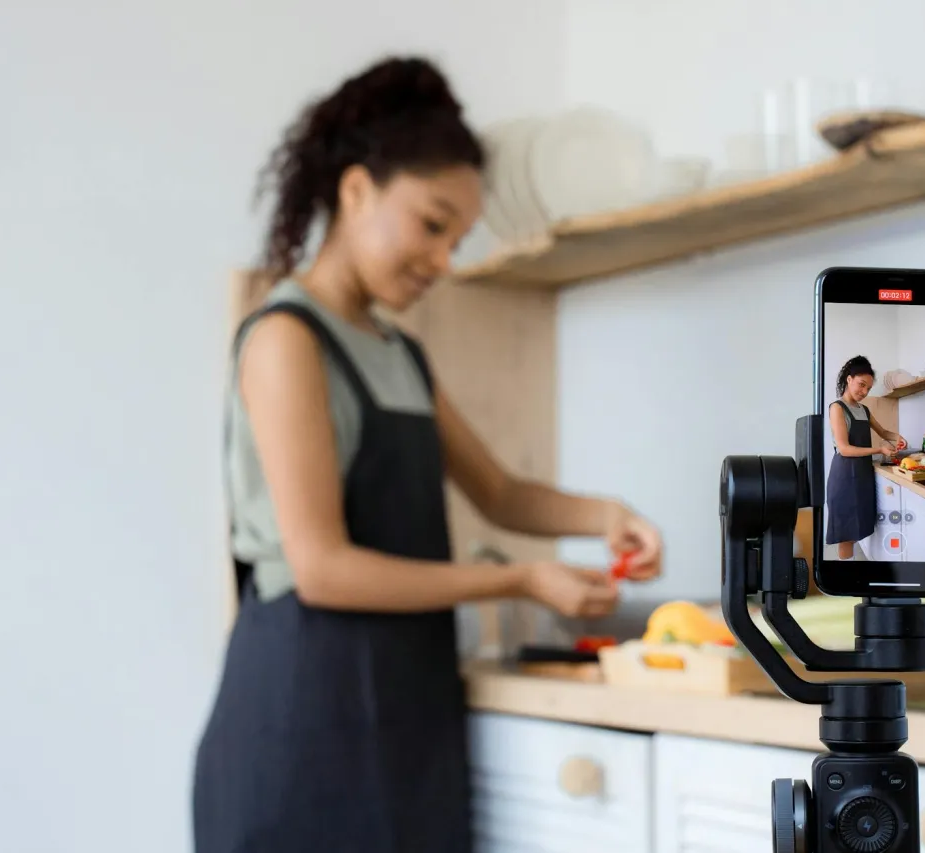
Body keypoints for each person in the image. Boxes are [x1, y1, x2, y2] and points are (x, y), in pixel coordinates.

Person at [191, 56, 665, 853]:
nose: (445, 259)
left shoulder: (398, 353)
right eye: (432, 223)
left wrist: (608, 516)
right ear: (355, 191)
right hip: (299, 723)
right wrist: (520, 577)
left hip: (404, 718)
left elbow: (499, 492)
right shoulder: (285, 340)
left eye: (458, 238)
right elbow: (323, 568)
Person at [825, 355, 906, 561]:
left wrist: (897, 437)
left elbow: (884, 432)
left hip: (862, 474)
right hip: (844, 476)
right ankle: (847, 576)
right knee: (846, 535)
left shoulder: (864, 410)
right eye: (861, 385)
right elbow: (844, 449)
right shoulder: (837, 408)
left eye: (868, 388)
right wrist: (879, 450)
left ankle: (854, 571)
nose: (864, 392)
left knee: (858, 528)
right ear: (849, 379)